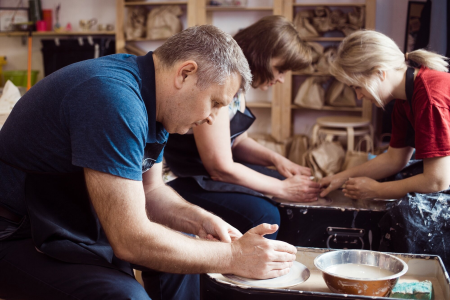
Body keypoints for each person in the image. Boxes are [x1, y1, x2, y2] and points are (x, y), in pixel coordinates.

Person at [0, 25, 298, 300]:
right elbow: (130, 239)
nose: (212, 117)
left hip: (69, 221)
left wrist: (202, 220)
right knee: (128, 296)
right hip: (18, 233)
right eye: (216, 103)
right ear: (185, 74)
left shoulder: (155, 100)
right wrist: (234, 256)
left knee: (182, 259)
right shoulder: (113, 98)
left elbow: (151, 191)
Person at [164, 16, 321, 240]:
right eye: (280, 69)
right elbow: (220, 168)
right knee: (265, 214)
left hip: (205, 171)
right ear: (261, 55)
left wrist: (277, 160)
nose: (281, 79)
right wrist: (282, 189)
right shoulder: (220, 78)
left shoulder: (238, 82)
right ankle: (247, 269)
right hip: (179, 177)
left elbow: (237, 141)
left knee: (275, 181)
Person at [319, 30, 450, 270]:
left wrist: (377, 190)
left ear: (379, 72)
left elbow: (437, 181)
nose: (358, 96)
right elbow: (394, 159)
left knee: (407, 217)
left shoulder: (429, 97)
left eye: (357, 87)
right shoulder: (403, 99)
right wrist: (339, 178)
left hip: (442, 177)